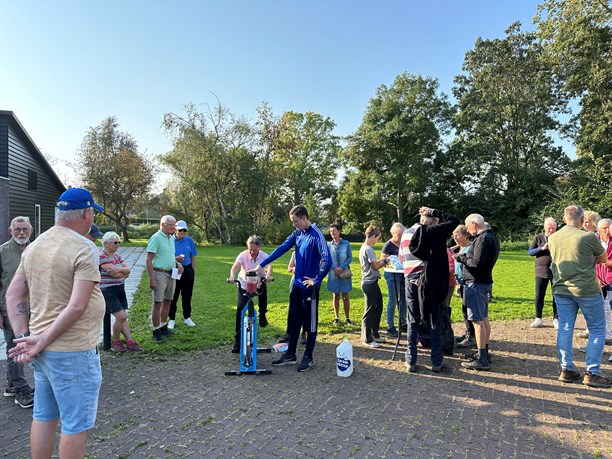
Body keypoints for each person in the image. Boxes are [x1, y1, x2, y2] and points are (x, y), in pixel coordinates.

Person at [6, 187, 106, 458]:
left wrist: (26, 338)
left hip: (43, 351)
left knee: (44, 415)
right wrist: (38, 341)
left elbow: (14, 293)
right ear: (86, 213)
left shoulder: (35, 246)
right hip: (72, 351)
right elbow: (77, 306)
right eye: (92, 214)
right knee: (75, 424)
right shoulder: (84, 246)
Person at [258, 205, 331, 372]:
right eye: (292, 222)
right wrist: (262, 264)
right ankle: (290, 354)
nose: (294, 224)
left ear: (304, 218)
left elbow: (328, 260)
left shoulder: (316, 235)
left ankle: (308, 357)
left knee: (310, 323)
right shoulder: (298, 233)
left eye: (295, 221)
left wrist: (316, 279)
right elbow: (282, 248)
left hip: (309, 288)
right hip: (296, 285)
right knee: (293, 321)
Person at [548, 205, 610, 388]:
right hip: (587, 290)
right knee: (597, 329)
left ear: (564, 217)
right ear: (582, 220)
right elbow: (603, 259)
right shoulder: (588, 236)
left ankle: (566, 369)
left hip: (561, 289)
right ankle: (592, 372)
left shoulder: (553, 237)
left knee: (565, 328)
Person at [408, 207, 459, 372]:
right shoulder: (438, 231)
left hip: (412, 281)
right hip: (433, 283)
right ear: (435, 220)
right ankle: (436, 362)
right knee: (434, 320)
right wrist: (435, 211)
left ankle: (411, 361)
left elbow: (410, 250)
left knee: (413, 321)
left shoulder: (408, 234)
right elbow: (454, 220)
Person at [455, 213, 500, 371]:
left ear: (474, 224)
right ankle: (484, 352)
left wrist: (461, 258)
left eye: (468, 226)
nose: (467, 230)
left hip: (476, 283)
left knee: (478, 321)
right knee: (484, 318)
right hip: (483, 282)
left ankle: (482, 359)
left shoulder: (483, 239)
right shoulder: (491, 237)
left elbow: (477, 263)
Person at [0, 217, 35, 409]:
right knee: (17, 349)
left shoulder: (35, 249)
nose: (21, 233)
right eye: (17, 230)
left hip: (33, 308)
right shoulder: (3, 251)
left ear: (31, 229)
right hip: (10, 310)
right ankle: (21, 389)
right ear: (10, 230)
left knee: (19, 347)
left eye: (24, 229)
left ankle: (12, 385)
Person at [228, 235, 272, 353]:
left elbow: (269, 266)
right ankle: (238, 341)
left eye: (255, 250)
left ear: (259, 247)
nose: (252, 252)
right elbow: (235, 267)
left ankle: (262, 314)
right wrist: (232, 276)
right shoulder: (243, 255)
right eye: (250, 250)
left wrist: (268, 275)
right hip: (244, 284)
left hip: (258, 282)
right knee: (240, 309)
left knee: (263, 293)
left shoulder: (264, 256)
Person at [99, 232, 142, 353]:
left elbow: (128, 270)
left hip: (120, 288)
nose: (117, 245)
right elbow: (112, 273)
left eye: (119, 242)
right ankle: (116, 341)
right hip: (108, 291)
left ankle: (130, 341)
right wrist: (122, 272)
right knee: (121, 316)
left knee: (123, 318)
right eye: (115, 242)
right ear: (106, 243)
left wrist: (121, 271)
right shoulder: (102, 257)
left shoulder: (117, 256)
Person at [146, 215, 184, 344]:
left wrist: (178, 265)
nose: (173, 227)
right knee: (158, 303)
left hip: (171, 274)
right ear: (162, 225)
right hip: (159, 274)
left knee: (168, 301)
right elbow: (149, 260)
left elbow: (169, 256)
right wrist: (152, 279)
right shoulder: (156, 238)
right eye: (170, 224)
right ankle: (155, 331)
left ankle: (163, 327)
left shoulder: (171, 238)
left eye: (174, 225)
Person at [359, 226, 389, 348]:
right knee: (370, 310)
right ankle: (367, 338)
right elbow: (375, 266)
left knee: (378, 307)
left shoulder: (364, 248)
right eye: (377, 238)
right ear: (372, 237)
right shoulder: (368, 249)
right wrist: (385, 261)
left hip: (372, 282)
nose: (378, 241)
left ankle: (375, 334)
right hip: (369, 282)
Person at [528, 217, 559, 329]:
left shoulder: (559, 237)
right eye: (549, 228)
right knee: (539, 295)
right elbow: (530, 252)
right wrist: (542, 248)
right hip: (541, 271)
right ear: (545, 227)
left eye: (553, 228)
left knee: (556, 295)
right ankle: (538, 318)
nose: (551, 230)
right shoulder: (538, 238)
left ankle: (556, 319)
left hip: (556, 271)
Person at [168, 220, 198, 329]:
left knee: (187, 295)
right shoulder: (170, 240)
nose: (182, 232)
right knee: (173, 295)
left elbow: (193, 256)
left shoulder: (189, 241)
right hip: (174, 269)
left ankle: (187, 317)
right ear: (175, 230)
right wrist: (176, 259)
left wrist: (192, 271)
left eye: (184, 230)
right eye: (180, 230)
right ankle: (171, 319)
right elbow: (166, 256)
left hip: (187, 269)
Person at [381, 223, 407, 337]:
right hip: (392, 275)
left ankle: (403, 322)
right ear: (393, 233)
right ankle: (390, 326)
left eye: (402, 234)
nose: (401, 236)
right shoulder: (388, 245)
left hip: (403, 274)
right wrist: (392, 260)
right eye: (398, 234)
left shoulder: (403, 243)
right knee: (393, 299)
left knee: (404, 299)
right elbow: (382, 260)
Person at [452, 225, 475, 348]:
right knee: (465, 309)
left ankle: (471, 336)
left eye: (457, 235)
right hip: (462, 283)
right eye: (454, 235)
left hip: (469, 282)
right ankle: (468, 332)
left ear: (465, 235)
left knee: (468, 309)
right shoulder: (462, 248)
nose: (455, 237)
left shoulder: (470, 248)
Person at [327, 224, 353, 326]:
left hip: (344, 272)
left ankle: (347, 318)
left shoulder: (346, 244)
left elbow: (349, 258)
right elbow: (328, 258)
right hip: (333, 273)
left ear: (339, 231)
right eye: (331, 231)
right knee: (335, 295)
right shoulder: (329, 245)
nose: (332, 233)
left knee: (346, 295)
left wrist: (342, 267)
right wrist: (335, 267)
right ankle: (336, 317)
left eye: (334, 231)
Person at [595, 219, 612, 345]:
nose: (606, 231)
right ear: (598, 229)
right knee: (602, 308)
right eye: (604, 228)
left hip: (611, 279)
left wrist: (605, 262)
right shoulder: (595, 242)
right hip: (599, 279)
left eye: (608, 228)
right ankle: (606, 335)